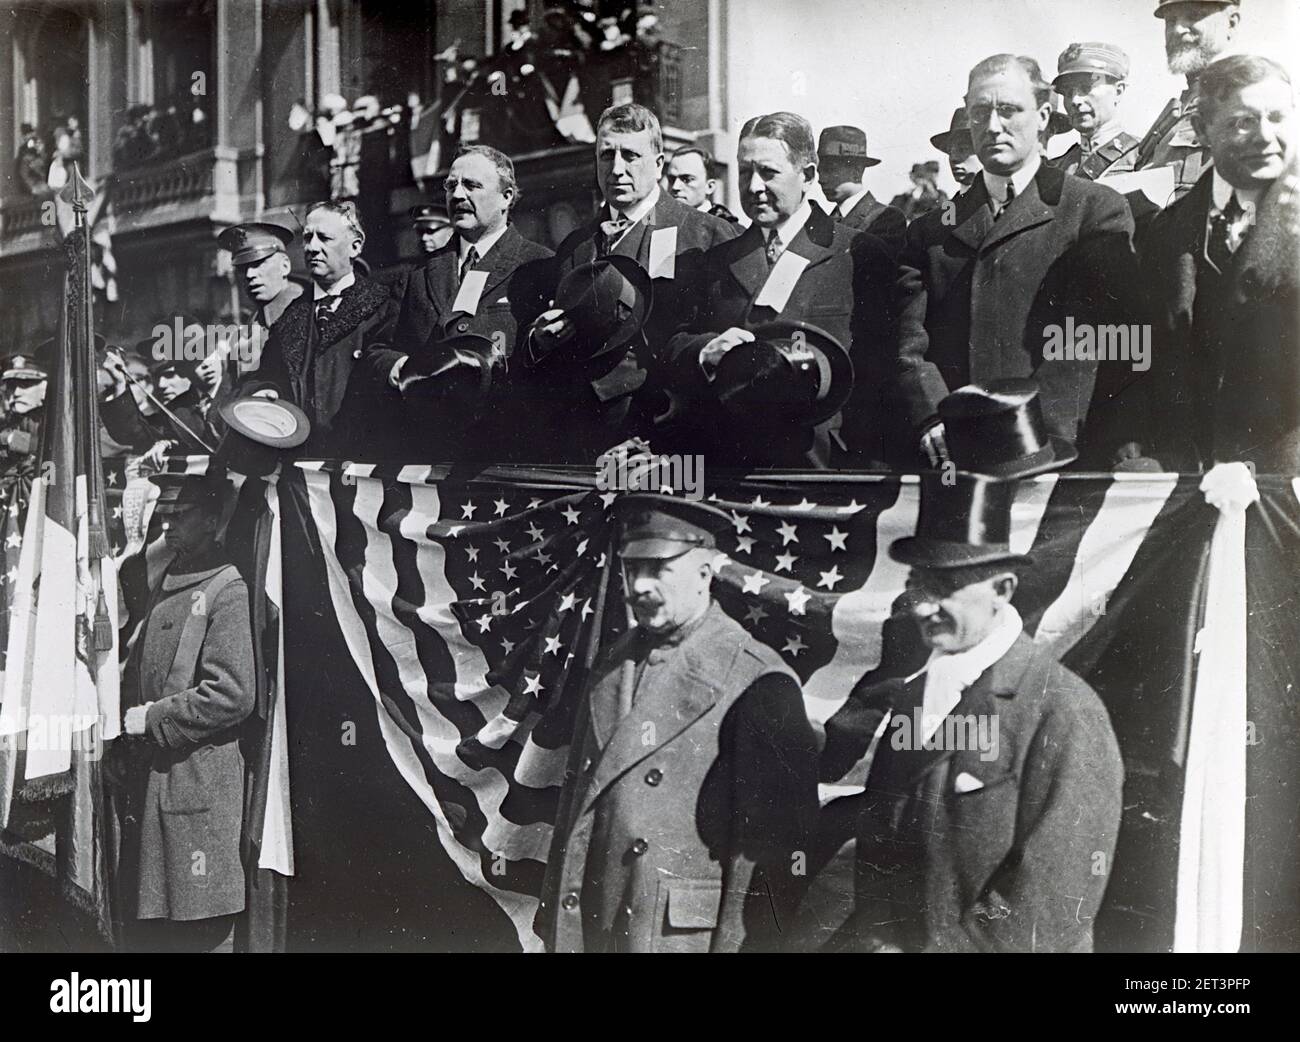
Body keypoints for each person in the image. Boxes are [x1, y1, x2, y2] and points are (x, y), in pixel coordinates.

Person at [820, 470, 1123, 952]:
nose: (923, 608)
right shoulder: (915, 698)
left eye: (945, 587)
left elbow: (1053, 893)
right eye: (918, 585)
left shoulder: (1062, 709)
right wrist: (881, 942)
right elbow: (879, 850)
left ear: (1002, 588)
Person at [537, 495, 819, 952]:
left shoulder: (754, 678)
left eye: (659, 568)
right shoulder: (611, 662)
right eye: (631, 569)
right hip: (597, 926)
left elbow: (774, 854)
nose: (639, 586)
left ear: (705, 573)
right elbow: (576, 803)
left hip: (676, 938)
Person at [894, 54, 1137, 469]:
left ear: (1043, 115)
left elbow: (1095, 339)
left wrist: (1032, 430)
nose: (991, 127)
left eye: (1008, 110)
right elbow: (910, 344)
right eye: (979, 113)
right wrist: (931, 414)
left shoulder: (1094, 210)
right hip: (955, 449)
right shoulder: (929, 231)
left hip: (1057, 450)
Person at [662, 111, 897, 468]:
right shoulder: (716, 260)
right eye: (745, 172)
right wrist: (705, 351)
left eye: (768, 172)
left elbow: (882, 370)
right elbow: (674, 342)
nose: (754, 186)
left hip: (821, 467)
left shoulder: (859, 254)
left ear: (808, 176)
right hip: (731, 465)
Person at [530, 103, 736, 461]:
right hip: (582, 438)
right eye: (606, 155)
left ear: (658, 165)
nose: (617, 169)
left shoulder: (707, 235)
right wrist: (542, 338)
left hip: (667, 437)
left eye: (631, 155)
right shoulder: (574, 246)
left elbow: (725, 343)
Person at [114, 471, 255, 953]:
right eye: (165, 515)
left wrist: (153, 718)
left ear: (214, 520)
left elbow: (233, 694)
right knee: (157, 927)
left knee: (199, 925)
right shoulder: (166, 579)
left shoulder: (226, 589)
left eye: (182, 515)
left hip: (197, 782)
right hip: (154, 781)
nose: (169, 525)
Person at [1141, 55, 1298, 473]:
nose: (1265, 137)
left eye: (1278, 117)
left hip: (1287, 483)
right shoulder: (1166, 231)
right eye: (1243, 122)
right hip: (1192, 476)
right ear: (1201, 131)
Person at [367, 144, 553, 460]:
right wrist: (403, 370)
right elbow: (378, 350)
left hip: (505, 456)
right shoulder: (418, 274)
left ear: (506, 197)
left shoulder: (540, 265)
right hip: (428, 454)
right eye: (451, 186)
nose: (456, 195)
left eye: (472, 185)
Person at [243, 200, 398, 459]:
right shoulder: (290, 316)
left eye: (324, 238)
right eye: (307, 238)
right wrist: (262, 391)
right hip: (301, 472)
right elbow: (264, 376)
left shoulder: (383, 307)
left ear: (355, 246)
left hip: (363, 471)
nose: (312, 247)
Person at [1134, 0, 1242, 200]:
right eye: (1171, 20)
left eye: (1193, 16)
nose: (1177, 29)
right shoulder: (1182, 106)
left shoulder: (1251, 99)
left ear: (1231, 23)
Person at [217, 221, 304, 377]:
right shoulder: (255, 320)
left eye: (258, 263)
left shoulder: (305, 314)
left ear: (285, 266)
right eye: (242, 268)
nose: (249, 275)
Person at [1048, 43, 1140, 181]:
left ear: (1118, 91)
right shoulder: (1057, 169)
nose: (1075, 100)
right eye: (1068, 92)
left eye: (1086, 88)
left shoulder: (1143, 157)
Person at [817, 125, 907, 256]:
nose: (821, 179)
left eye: (830, 170)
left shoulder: (885, 218)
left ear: (856, 171)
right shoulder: (827, 220)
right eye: (819, 171)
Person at [665, 146, 739, 223]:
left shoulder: (728, 229)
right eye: (671, 179)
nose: (675, 187)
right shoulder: (660, 224)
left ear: (709, 187)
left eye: (686, 179)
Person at [930, 107, 982, 191]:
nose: (954, 158)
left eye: (963, 149)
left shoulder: (1005, 201)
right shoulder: (952, 203)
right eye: (950, 152)